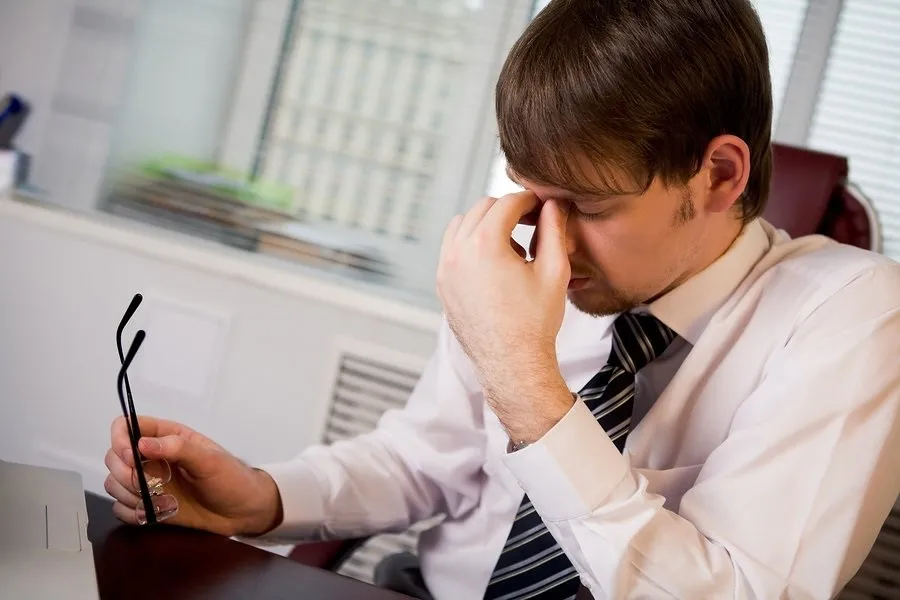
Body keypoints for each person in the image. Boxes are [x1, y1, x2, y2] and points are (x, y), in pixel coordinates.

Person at [104, 0, 900, 598]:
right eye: (527, 196)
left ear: (719, 176)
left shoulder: (855, 317)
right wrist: (263, 497)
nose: (546, 242)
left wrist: (524, 375)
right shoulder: (529, 267)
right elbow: (422, 460)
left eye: (586, 206)